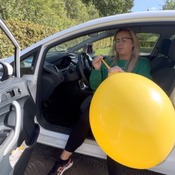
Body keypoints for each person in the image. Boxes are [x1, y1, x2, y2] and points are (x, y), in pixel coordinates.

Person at [47, 28, 152, 175]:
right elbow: (96, 86)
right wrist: (96, 69)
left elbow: (145, 91)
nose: (119, 43)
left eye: (124, 40)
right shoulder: (107, 61)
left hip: (127, 107)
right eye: (117, 40)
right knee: (86, 117)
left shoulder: (142, 64)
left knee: (115, 132)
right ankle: (63, 160)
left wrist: (124, 79)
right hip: (106, 102)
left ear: (133, 43)